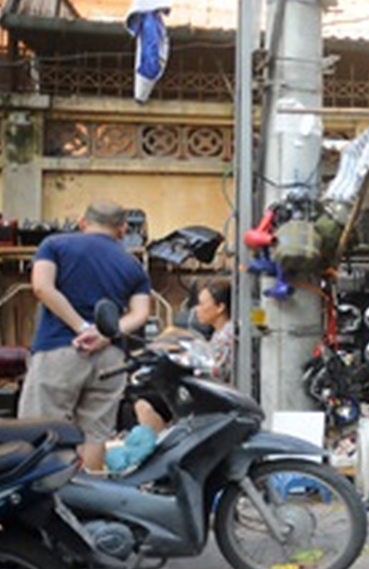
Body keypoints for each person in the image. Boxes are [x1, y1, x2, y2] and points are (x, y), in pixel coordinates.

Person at [19, 200, 152, 473]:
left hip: (59, 350)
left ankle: (45, 506)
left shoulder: (54, 245)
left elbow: (42, 288)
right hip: (111, 359)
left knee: (42, 430)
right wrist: (104, 334)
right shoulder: (132, 264)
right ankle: (88, 505)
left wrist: (81, 327)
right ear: (122, 229)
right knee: (95, 435)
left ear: (82, 222)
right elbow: (140, 314)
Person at [133, 279, 233, 433]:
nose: (197, 309)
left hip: (210, 396)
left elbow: (214, 370)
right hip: (204, 392)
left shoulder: (226, 335)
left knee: (145, 405)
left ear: (220, 307)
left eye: (201, 304)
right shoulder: (218, 333)